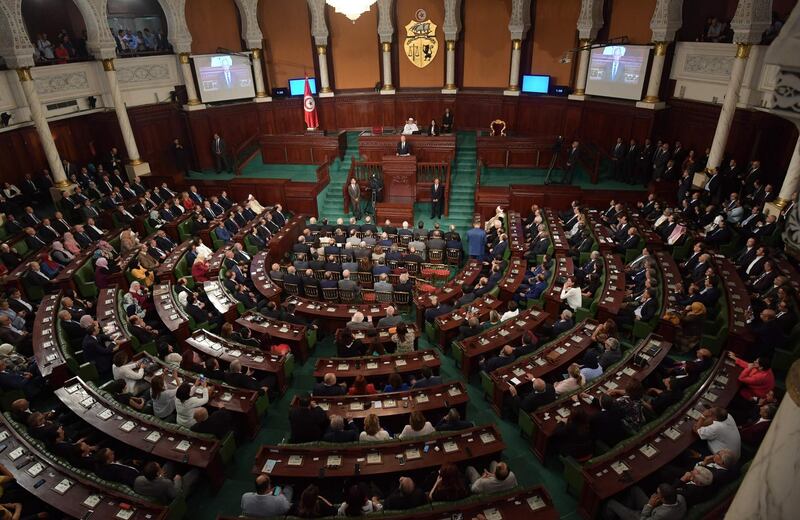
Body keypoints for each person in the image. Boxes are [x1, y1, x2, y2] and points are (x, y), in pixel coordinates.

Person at [603, 483, 686, 520]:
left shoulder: (661, 515)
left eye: (657, 493)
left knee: (611, 503)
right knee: (635, 489)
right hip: (656, 509)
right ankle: (626, 512)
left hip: (644, 517)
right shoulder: (680, 497)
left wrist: (649, 505)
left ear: (663, 498)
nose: (655, 494)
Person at [134, 461, 199, 504]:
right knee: (195, 472)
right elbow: (175, 495)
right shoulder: (166, 483)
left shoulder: (138, 479)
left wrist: (160, 477)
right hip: (166, 499)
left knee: (169, 464)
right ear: (157, 473)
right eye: (160, 468)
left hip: (154, 493)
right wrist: (177, 480)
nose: (162, 469)